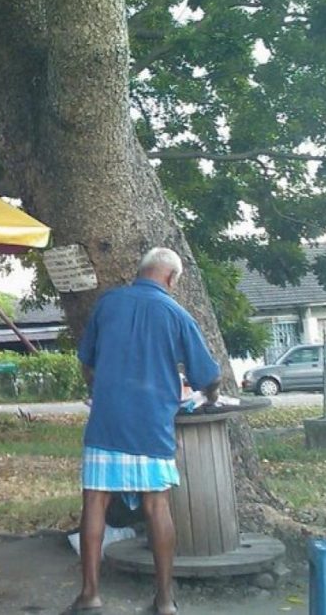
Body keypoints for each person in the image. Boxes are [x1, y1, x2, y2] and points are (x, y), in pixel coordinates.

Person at [64, 248, 221, 615]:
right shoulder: (176, 314)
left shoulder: (108, 303)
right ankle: (164, 601)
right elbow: (207, 375)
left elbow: (87, 364)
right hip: (152, 425)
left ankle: (90, 595)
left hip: (107, 422)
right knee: (156, 505)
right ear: (170, 278)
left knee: (95, 502)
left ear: (142, 270)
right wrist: (211, 395)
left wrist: (101, 389)